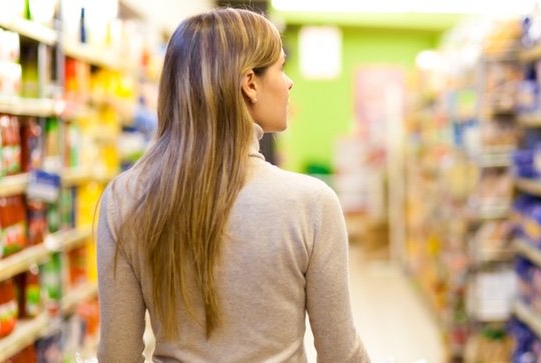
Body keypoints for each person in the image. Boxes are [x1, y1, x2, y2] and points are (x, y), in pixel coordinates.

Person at [96, 8, 370, 362]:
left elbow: (117, 355)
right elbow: (341, 354)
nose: (289, 83)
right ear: (250, 83)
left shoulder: (124, 198)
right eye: (281, 68)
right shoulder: (311, 204)